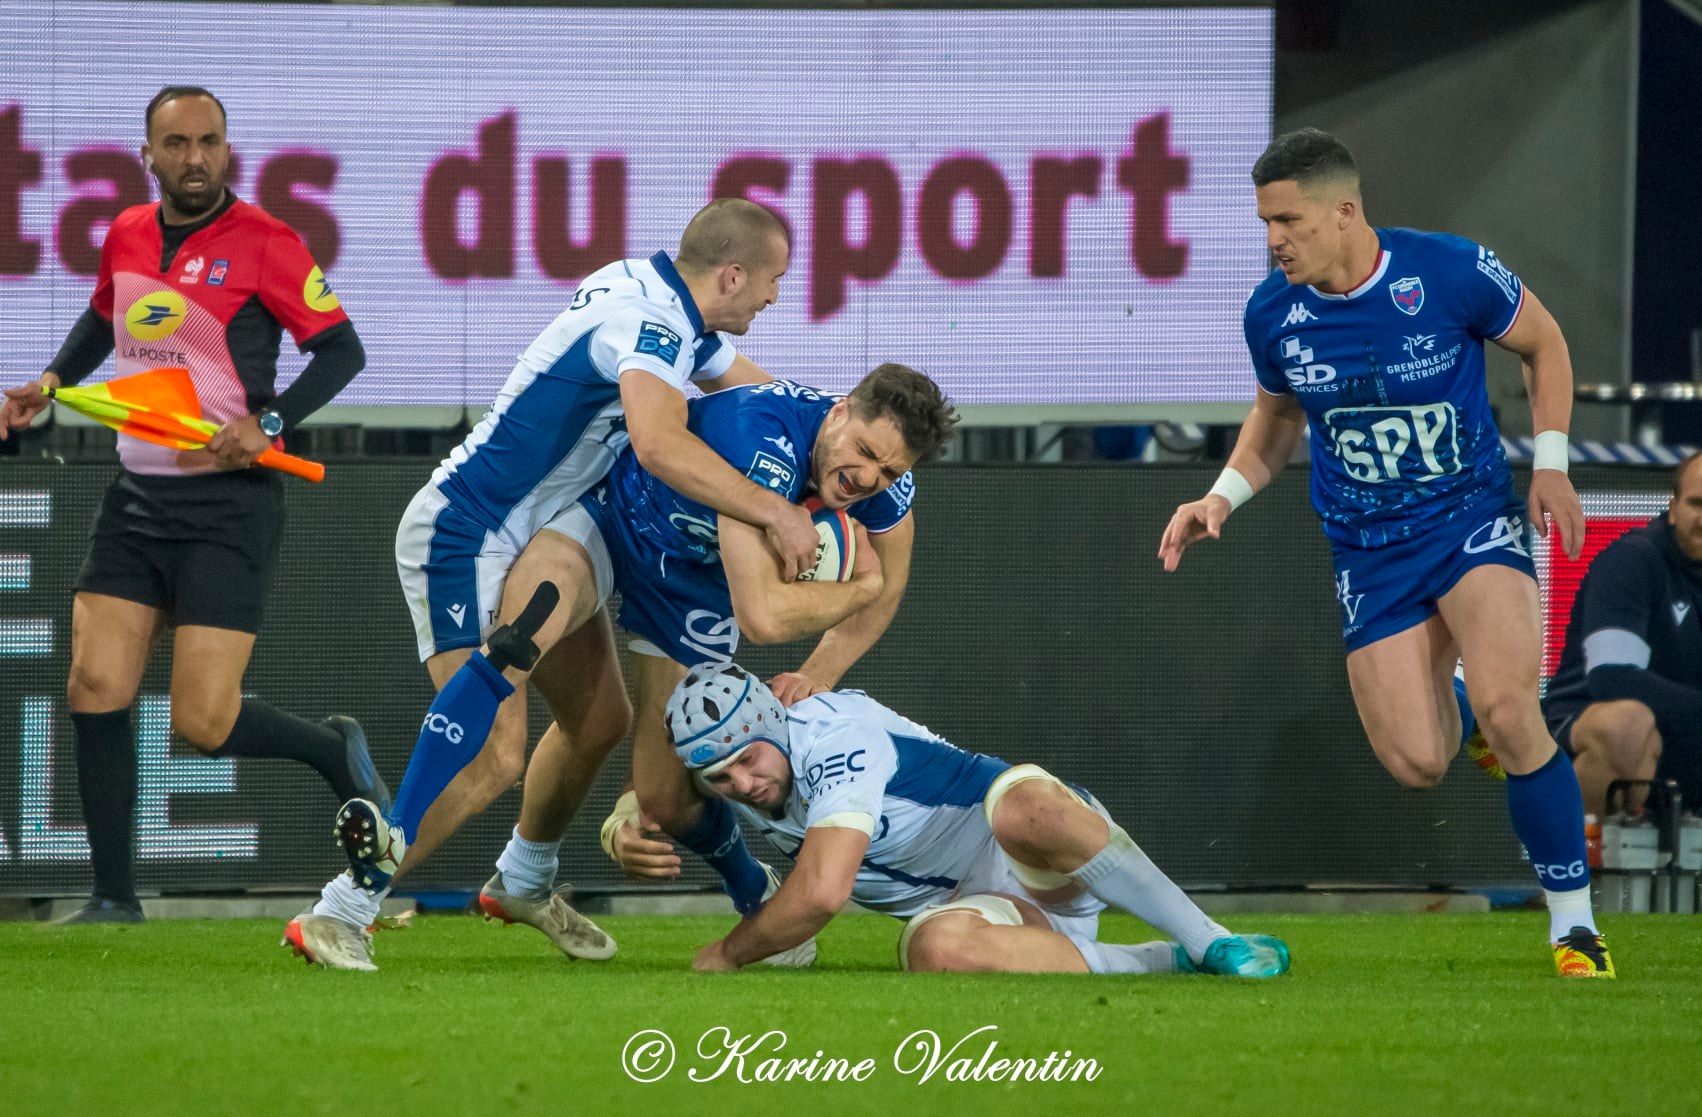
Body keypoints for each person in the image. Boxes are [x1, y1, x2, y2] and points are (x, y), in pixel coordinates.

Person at [278, 198, 817, 967]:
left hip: (536, 529)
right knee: (495, 753)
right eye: (772, 280)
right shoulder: (651, 324)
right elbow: (661, 446)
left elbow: (765, 399)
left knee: (598, 719)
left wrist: (839, 436)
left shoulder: (661, 301)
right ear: (732, 274)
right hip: (465, 531)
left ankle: (523, 879)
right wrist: (779, 511)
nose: (774, 296)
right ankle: (341, 909)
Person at [286, 366, 952, 970]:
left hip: (692, 589)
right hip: (611, 520)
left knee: (657, 785)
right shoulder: (762, 440)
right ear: (838, 413)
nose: (869, 478)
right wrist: (858, 589)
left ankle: (546, 881)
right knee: (513, 660)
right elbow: (768, 616)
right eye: (865, 453)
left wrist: (821, 671)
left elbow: (887, 586)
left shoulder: (887, 488)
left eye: (889, 471)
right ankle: (344, 906)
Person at [1157, 128, 1613, 978]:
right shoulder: (1273, 313)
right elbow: (1277, 422)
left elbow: (1544, 345)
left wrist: (1551, 465)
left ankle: (1575, 928)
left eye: (1287, 220)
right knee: (1418, 762)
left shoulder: (1448, 270)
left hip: (1469, 521)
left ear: (1345, 212)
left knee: (1520, 715)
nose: (1273, 240)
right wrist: (1218, 497)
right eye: (1265, 223)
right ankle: (1466, 703)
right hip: (1369, 553)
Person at [0, 86, 384, 924]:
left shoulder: (269, 243)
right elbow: (106, 315)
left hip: (229, 505)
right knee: (93, 682)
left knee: (204, 723)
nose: (196, 157)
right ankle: (113, 897)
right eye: (177, 144)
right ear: (149, 156)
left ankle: (331, 746)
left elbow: (342, 350)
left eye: (209, 140)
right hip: (138, 496)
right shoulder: (128, 234)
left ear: (226, 148)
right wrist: (54, 381)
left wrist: (269, 419)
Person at [614, 662, 1290, 977]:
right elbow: (653, 791)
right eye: (720, 777)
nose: (743, 783)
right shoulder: (740, 758)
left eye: (747, 762)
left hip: (1042, 855)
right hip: (983, 910)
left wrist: (729, 952)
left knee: (1024, 803)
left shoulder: (835, 736)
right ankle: (1161, 962)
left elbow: (823, 892)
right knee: (935, 952)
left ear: (773, 724)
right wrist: (619, 822)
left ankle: (1210, 940)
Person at [1543, 451, 1702, 817]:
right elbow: (1612, 678)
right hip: (1595, 725)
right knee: (1627, 724)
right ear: (1673, 506)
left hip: (1689, 734)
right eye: (1696, 503)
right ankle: (1588, 866)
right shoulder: (1632, 561)